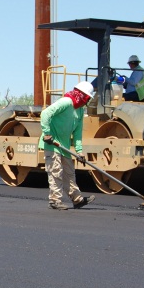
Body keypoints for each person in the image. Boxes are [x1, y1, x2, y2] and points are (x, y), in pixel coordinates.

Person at [39, 81, 96, 210]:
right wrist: (47, 133)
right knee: (56, 171)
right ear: (81, 95)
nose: (87, 102)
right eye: (87, 98)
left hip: (63, 145)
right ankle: (55, 200)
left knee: (69, 173)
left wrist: (80, 151)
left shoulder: (80, 111)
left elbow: (77, 133)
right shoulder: (66, 102)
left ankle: (77, 200)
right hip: (52, 142)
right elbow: (45, 113)